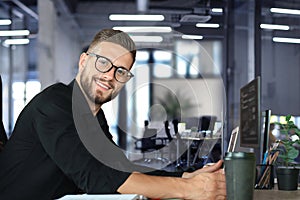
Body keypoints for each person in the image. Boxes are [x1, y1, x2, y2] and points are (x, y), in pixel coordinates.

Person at [0, 29, 226, 200]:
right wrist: (190, 190)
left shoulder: (94, 117)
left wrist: (185, 177)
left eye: (121, 71)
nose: (109, 76)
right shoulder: (53, 104)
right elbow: (96, 178)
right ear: (83, 61)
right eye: (103, 63)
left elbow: (118, 167)